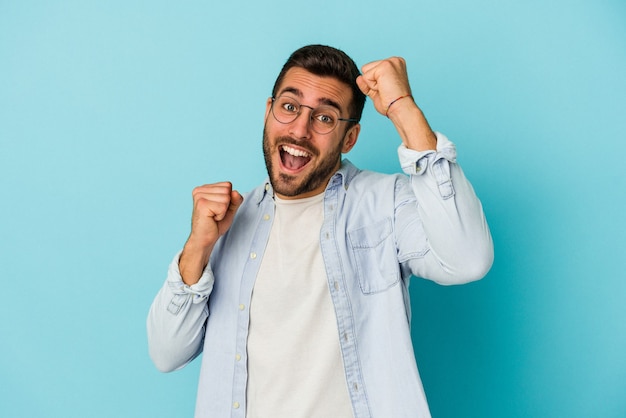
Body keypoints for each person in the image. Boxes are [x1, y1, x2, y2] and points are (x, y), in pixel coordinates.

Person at [147, 44, 493, 418]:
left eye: (325, 118)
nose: (299, 129)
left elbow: (467, 260)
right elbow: (167, 353)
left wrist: (402, 108)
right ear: (268, 111)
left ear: (349, 139)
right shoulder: (227, 221)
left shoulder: (386, 203)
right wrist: (198, 246)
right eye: (290, 107)